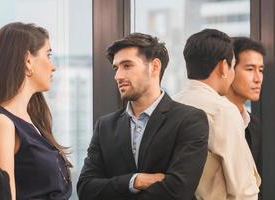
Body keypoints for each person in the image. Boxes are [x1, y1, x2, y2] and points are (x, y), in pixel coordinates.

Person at [77, 32, 209, 200]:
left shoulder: (189, 120)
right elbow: (86, 189)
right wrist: (135, 181)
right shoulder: (105, 125)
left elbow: (178, 190)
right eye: (116, 68)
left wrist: (113, 189)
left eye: (127, 66)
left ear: (154, 66)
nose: (118, 76)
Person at [0, 22, 72, 200]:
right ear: (28, 61)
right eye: (48, 55)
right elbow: (3, 196)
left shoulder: (32, 120)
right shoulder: (1, 124)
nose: (53, 66)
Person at [174, 29, 260, 199]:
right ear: (223, 66)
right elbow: (243, 189)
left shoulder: (171, 104)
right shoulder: (222, 111)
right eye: (233, 65)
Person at [226, 36, 265, 197]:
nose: (258, 79)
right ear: (227, 68)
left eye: (260, 70)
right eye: (250, 69)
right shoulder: (209, 120)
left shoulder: (253, 124)